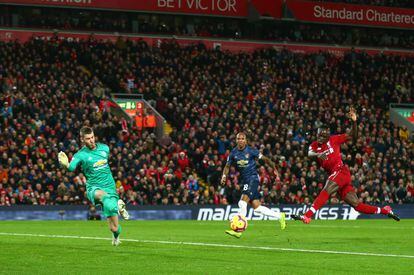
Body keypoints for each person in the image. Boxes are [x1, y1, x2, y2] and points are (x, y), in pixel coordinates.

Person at [292, 107, 400, 224]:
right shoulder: (314, 146)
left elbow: (353, 135)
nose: (320, 138)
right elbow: (309, 154)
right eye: (319, 135)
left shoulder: (334, 139)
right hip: (337, 176)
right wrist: (318, 153)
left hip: (340, 171)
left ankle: (307, 216)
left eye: (323, 136)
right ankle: (385, 211)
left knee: (327, 189)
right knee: (357, 205)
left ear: (328, 136)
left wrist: (354, 122)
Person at [58, 126, 130, 246]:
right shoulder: (80, 155)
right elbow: (71, 168)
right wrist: (65, 165)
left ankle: (116, 237)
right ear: (82, 140)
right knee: (103, 196)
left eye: (92, 137)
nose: (91, 140)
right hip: (94, 188)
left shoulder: (104, 148)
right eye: (88, 139)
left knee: (114, 228)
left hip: (110, 187)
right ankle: (118, 206)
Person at [221, 131, 286, 238]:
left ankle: (238, 230)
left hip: (253, 179)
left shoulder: (251, 151)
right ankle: (280, 216)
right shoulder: (233, 153)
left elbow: (265, 159)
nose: (240, 141)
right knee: (257, 207)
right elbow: (227, 166)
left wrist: (275, 170)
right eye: (238, 139)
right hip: (245, 180)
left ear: (246, 140)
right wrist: (224, 176)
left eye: (242, 139)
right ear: (236, 140)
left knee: (242, 203)